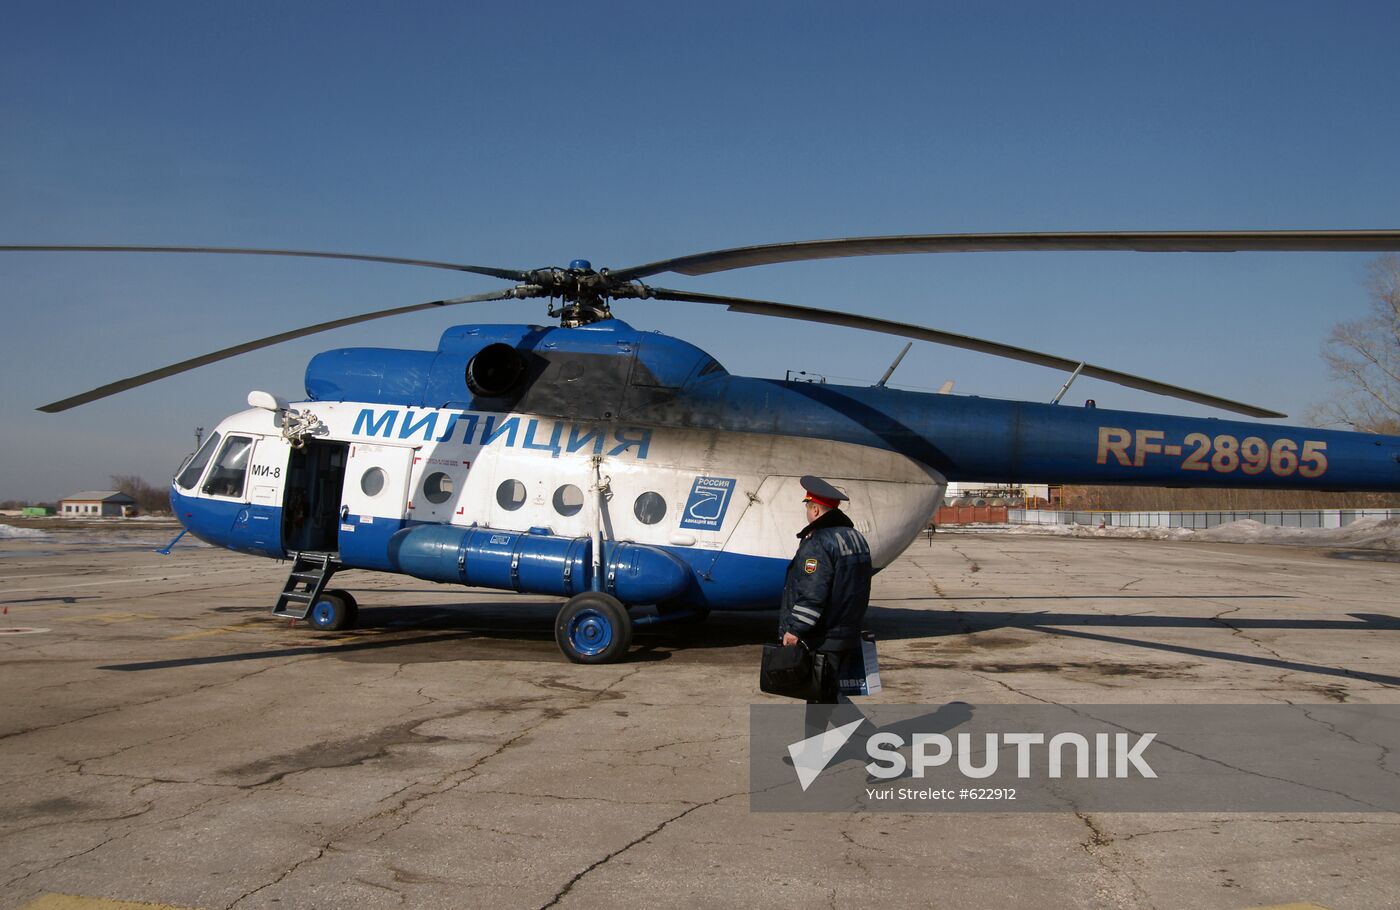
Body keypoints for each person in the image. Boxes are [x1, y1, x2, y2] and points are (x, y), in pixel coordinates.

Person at [777, 475, 873, 705]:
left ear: (816, 511)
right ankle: (813, 743)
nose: (807, 515)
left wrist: (796, 629)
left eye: (808, 509)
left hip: (824, 635)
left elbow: (812, 592)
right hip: (847, 628)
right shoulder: (855, 537)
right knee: (816, 692)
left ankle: (871, 738)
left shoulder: (818, 542)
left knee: (826, 693)